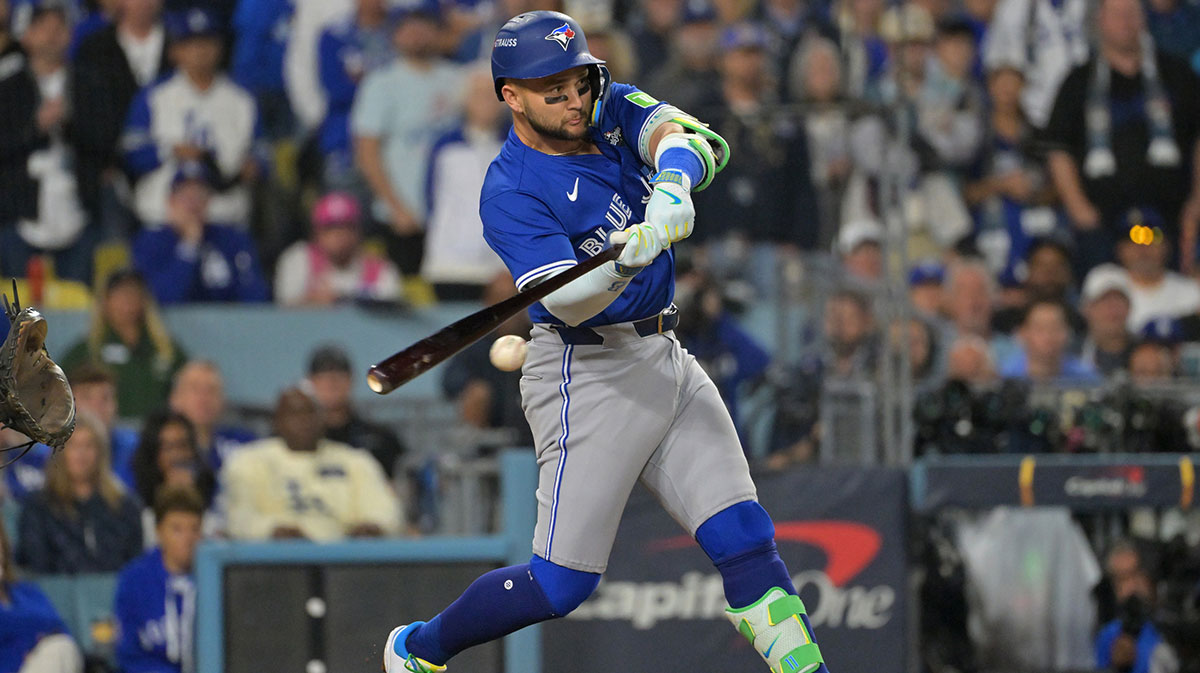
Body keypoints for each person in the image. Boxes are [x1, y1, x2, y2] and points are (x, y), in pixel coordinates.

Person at [382, 13, 831, 673]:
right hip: (587, 374)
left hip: (665, 354)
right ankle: (418, 649)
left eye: (577, 82)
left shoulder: (606, 104)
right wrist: (623, 260)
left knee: (746, 536)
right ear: (512, 95)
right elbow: (563, 300)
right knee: (560, 583)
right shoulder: (510, 190)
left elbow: (695, 140)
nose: (572, 101)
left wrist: (673, 187)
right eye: (551, 91)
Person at [1042, 0, 1200, 272]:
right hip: (1103, 226)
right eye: (1117, 14)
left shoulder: (1178, 74)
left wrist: (1196, 204)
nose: (1125, 22)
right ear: (1100, 21)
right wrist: (1079, 209)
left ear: (1144, 19)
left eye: (1132, 14)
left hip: (1170, 222)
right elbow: (1058, 149)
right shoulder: (1078, 81)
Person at [122, 7, 264, 229]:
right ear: (175, 51)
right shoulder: (153, 96)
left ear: (220, 47)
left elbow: (262, 152)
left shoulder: (242, 98)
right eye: (190, 43)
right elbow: (131, 153)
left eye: (207, 42)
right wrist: (171, 151)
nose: (200, 51)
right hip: (164, 219)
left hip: (226, 217)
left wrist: (254, 165)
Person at [351, 5, 465, 275]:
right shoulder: (381, 83)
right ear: (395, 36)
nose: (416, 35)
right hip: (400, 215)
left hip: (449, 215)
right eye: (408, 28)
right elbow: (366, 152)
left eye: (423, 27)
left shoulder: (458, 79)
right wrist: (396, 208)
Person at [222, 387, 401, 541]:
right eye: (294, 414)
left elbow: (386, 511)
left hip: (344, 561)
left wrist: (374, 526)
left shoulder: (355, 460)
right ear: (277, 421)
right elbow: (238, 517)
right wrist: (272, 530)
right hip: (275, 563)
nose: (304, 421)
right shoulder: (249, 461)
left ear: (323, 418)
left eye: (311, 413)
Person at [0, 1, 93, 285]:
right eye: (42, 27)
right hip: (19, 209)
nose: (52, 34)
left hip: (79, 208)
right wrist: (36, 129)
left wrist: (67, 124)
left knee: (77, 303)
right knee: (19, 308)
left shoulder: (89, 83)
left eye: (59, 27)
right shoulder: (8, 85)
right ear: (25, 34)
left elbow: (105, 142)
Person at [70, 0, 169, 233]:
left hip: (169, 174)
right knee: (115, 255)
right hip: (111, 172)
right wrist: (108, 160)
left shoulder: (180, 44)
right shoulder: (95, 47)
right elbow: (85, 114)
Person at [420, 68, 509, 300]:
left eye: (493, 95)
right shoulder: (445, 147)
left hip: (500, 268)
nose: (487, 102)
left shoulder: (516, 147)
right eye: (479, 94)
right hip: (449, 265)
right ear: (465, 100)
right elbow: (430, 197)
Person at [16, 412, 143, 573]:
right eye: (73, 445)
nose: (81, 454)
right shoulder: (38, 508)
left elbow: (133, 566)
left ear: (101, 453)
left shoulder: (125, 507)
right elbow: (37, 566)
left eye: (89, 445)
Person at [132, 161, 270, 304]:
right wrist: (188, 247)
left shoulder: (232, 238)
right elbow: (161, 298)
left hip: (228, 323)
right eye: (186, 196)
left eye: (199, 196)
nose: (193, 205)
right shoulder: (150, 241)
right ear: (171, 202)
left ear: (208, 202)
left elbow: (256, 295)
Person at [61, 270, 188, 419]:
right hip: (104, 432)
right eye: (120, 294)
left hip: (155, 435)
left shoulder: (166, 350)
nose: (128, 300)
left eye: (134, 293)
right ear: (106, 301)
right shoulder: (88, 350)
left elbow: (188, 386)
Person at [440, 273, 535, 454]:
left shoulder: (541, 341)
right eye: (501, 301)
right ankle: (479, 462)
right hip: (492, 435)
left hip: (537, 427)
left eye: (515, 301)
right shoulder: (476, 348)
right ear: (488, 304)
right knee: (477, 393)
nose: (509, 310)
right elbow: (449, 382)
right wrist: (476, 391)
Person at [114, 485, 204, 673]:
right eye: (177, 529)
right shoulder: (134, 580)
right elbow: (127, 653)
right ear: (159, 532)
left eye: (194, 529)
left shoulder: (214, 579)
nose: (188, 539)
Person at [315, 0, 396, 187]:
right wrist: (382, 90)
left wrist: (363, 81)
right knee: (345, 209)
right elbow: (335, 88)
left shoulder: (402, 28)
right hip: (345, 138)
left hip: (395, 140)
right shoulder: (335, 34)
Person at [273, 191, 403, 306]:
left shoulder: (381, 270)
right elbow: (283, 310)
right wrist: (312, 302)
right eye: (331, 228)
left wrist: (342, 301)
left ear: (358, 232)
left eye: (346, 226)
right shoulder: (299, 259)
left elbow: (391, 311)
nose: (339, 235)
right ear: (317, 233)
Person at [982, 0, 1089, 128]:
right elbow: (997, 64)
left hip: (1081, 108)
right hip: (1031, 111)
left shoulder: (1086, 5)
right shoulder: (1012, 8)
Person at [305, 344, 407, 478]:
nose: (331, 383)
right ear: (310, 382)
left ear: (351, 380)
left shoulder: (381, 440)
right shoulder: (292, 442)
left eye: (339, 376)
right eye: (323, 377)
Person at [0, 515, 83, 673]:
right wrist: (31, 643)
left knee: (60, 648)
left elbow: (62, 632)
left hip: (46, 664)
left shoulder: (28, 592)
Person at [1094, 541, 1180, 673]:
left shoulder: (1169, 625)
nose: (1131, 586)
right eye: (1122, 578)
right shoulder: (1108, 635)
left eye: (1134, 574)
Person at [1115, 207, 1200, 332]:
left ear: (1167, 245)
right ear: (1119, 249)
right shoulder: (1105, 283)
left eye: (1153, 236)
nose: (1143, 247)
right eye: (1134, 238)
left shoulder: (1191, 290)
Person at [167, 360, 255, 473]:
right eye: (195, 389)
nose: (204, 398)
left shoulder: (245, 444)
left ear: (223, 402)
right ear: (175, 399)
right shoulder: (158, 448)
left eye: (212, 390)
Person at [130, 411, 218, 519]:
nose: (177, 455)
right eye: (168, 447)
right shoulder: (134, 501)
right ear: (152, 452)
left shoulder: (210, 489)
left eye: (183, 445)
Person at [67, 363, 140, 490]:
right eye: (87, 397)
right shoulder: (47, 453)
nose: (97, 407)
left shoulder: (135, 450)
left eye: (105, 398)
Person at [997, 299, 1100, 383]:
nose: (1048, 335)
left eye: (1055, 327)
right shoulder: (1003, 378)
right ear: (1023, 333)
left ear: (1068, 333)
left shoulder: (1087, 379)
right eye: (1040, 328)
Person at [1078, 264, 1136, 377]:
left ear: (1129, 307)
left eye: (1119, 300)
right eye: (1104, 301)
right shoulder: (1072, 352)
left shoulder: (1145, 351)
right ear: (1086, 309)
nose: (1113, 309)